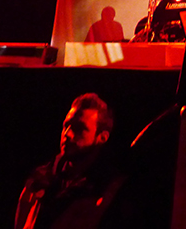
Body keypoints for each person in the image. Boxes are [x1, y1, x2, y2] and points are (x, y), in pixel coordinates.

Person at [15, 93, 123, 229]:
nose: (67, 133)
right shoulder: (40, 180)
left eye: (79, 128)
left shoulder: (108, 190)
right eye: (66, 126)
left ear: (102, 138)